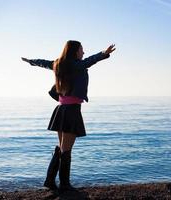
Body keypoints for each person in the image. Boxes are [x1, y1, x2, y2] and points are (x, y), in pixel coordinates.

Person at [21, 41, 116, 191]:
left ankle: (50, 181)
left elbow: (44, 63)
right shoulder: (75, 65)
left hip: (61, 109)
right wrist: (103, 53)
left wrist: (31, 61)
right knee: (66, 150)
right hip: (71, 111)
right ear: (74, 51)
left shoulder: (59, 64)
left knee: (62, 147)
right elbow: (89, 61)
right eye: (81, 50)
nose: (83, 53)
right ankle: (64, 184)